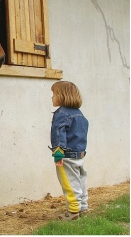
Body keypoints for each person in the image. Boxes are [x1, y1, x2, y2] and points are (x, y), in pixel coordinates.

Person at [49, 81, 89, 220]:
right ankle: (82, 207)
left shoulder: (61, 113)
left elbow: (58, 134)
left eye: (53, 94)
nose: (52, 97)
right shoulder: (80, 114)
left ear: (61, 96)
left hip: (66, 156)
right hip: (79, 155)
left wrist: (58, 154)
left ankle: (73, 212)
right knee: (81, 181)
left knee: (69, 183)